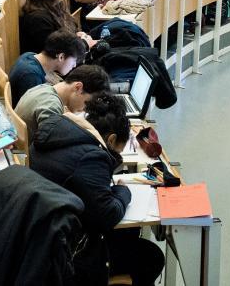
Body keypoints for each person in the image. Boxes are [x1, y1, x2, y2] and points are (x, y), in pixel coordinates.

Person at [29, 92, 165, 286]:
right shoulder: (91, 158)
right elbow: (109, 214)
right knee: (151, 256)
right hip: (71, 254)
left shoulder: (58, 129)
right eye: (118, 149)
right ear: (111, 140)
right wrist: (123, 191)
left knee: (130, 234)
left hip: (46, 239)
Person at [14, 64, 109, 141]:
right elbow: (52, 144)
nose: (84, 109)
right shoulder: (51, 106)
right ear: (78, 87)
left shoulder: (44, 87)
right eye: (87, 103)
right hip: (26, 158)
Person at [9, 31, 86, 106]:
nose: (74, 65)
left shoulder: (29, 55)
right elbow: (35, 109)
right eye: (74, 61)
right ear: (61, 57)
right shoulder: (31, 76)